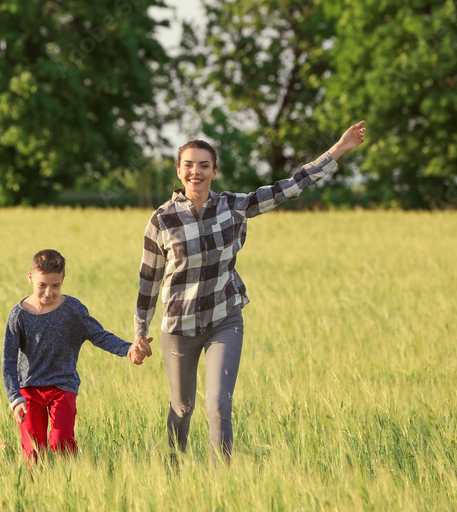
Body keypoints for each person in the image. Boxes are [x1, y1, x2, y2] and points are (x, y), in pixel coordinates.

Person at [127, 122, 367, 465]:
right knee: (183, 407)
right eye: (189, 165)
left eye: (204, 165)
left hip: (225, 317)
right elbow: (148, 280)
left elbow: (289, 187)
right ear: (179, 171)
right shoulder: (162, 220)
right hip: (179, 326)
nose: (196, 172)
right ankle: (172, 470)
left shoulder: (233, 206)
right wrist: (139, 334)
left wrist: (338, 149)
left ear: (215, 171)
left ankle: (222, 484)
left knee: (219, 404)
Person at [2, 249, 150, 462]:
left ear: (63, 279)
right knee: (33, 450)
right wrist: (15, 399)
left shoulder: (72, 309)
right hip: (28, 390)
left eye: (55, 285)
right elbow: (8, 360)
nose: (48, 292)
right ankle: (35, 490)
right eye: (42, 285)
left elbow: (99, 335)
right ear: (30, 278)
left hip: (62, 386)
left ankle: (75, 473)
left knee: (61, 442)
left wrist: (128, 349)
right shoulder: (18, 315)